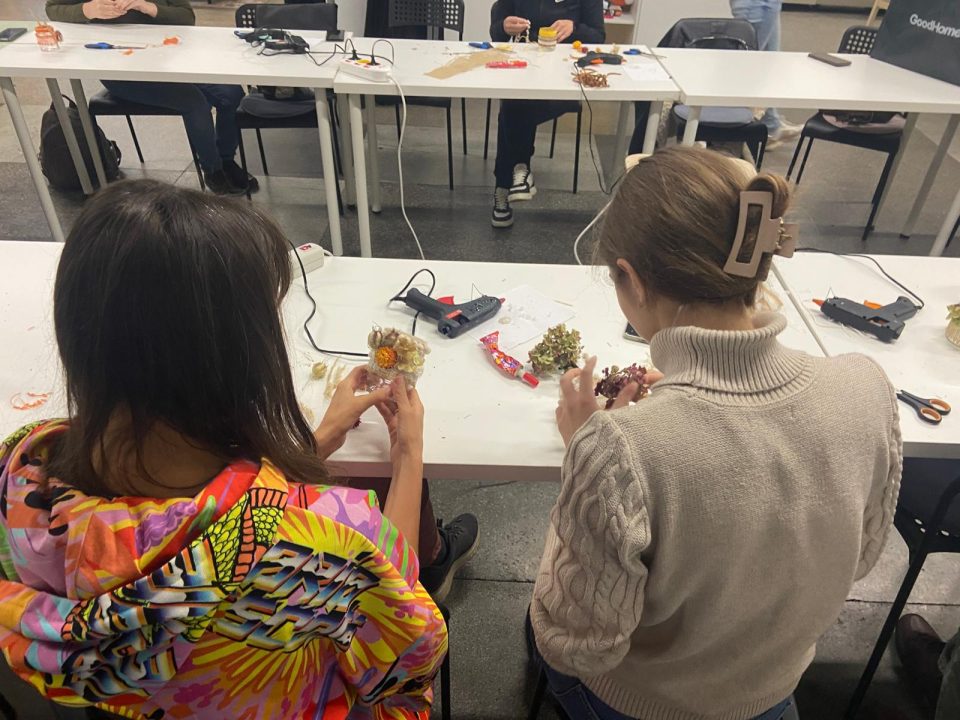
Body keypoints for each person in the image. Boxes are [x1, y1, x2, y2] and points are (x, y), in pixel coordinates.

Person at [0, 180, 465, 718]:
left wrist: (317, 441)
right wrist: (408, 454)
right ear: (237, 360)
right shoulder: (322, 542)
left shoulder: (24, 472)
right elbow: (396, 599)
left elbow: (194, 520)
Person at [528, 147, 903, 720]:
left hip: (648, 704)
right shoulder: (866, 386)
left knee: (537, 632)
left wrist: (588, 453)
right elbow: (859, 557)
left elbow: (579, 643)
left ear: (632, 281)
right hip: (772, 690)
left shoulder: (618, 448)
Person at [46, 0, 258, 195]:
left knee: (231, 93)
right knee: (194, 103)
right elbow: (53, 8)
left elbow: (186, 17)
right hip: (120, 69)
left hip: (169, 58)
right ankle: (214, 170)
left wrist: (149, 7)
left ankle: (226, 159)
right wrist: (86, 10)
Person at [489, 0, 605, 228]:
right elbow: (496, 30)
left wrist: (574, 28)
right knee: (517, 100)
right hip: (526, 67)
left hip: (566, 76)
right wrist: (504, 26)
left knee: (513, 108)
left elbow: (598, 36)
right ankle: (518, 173)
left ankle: (507, 182)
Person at [728, 0, 803, 147]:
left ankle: (770, 125)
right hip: (756, 5)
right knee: (749, 68)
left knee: (769, 62)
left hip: (767, 4)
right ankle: (730, 134)